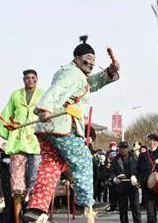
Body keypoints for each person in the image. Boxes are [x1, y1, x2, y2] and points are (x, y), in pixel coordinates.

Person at [23, 35, 120, 222]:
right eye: (88, 59)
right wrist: (45, 106)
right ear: (76, 58)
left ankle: (36, 208)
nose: (91, 63)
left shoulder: (77, 75)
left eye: (94, 60)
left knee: (50, 167)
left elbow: (91, 84)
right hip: (61, 125)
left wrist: (109, 72)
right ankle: (84, 202)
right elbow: (58, 89)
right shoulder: (71, 74)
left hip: (47, 128)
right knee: (82, 158)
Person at [0, 69, 44, 223]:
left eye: (33, 77)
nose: (30, 80)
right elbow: (7, 114)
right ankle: (17, 219)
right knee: (17, 188)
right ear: (23, 80)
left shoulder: (43, 94)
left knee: (35, 182)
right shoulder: (15, 95)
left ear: (37, 79)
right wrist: (8, 126)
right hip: (18, 141)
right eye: (27, 78)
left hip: (36, 141)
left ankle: (35, 216)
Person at [135, 134, 158, 223]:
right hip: (148, 187)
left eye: (154, 141)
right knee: (150, 215)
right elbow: (138, 169)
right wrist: (135, 177)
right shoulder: (143, 155)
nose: (152, 142)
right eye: (150, 140)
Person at [111, 142, 141, 223]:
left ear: (127, 148)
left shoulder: (135, 158)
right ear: (119, 148)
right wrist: (114, 178)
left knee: (136, 209)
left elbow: (139, 170)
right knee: (123, 210)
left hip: (132, 185)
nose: (123, 149)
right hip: (121, 187)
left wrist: (135, 176)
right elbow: (111, 171)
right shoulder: (115, 159)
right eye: (121, 148)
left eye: (125, 148)